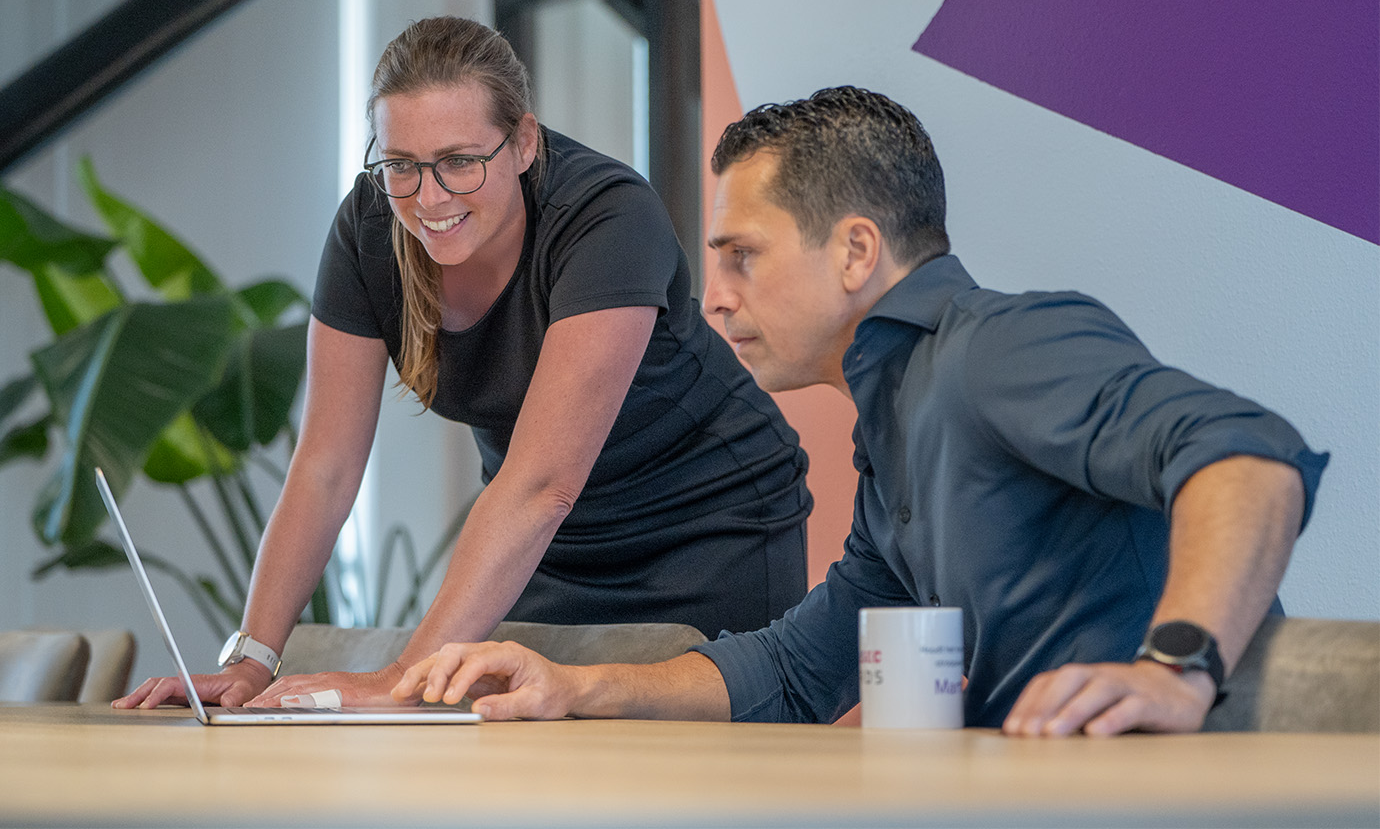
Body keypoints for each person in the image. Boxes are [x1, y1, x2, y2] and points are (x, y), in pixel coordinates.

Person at [391, 86, 1328, 735]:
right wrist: (572, 687)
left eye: (742, 256)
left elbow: (1247, 457)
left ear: (855, 253)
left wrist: (1175, 672)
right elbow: (799, 669)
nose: (715, 298)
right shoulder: (898, 432)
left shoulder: (997, 348)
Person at [116, 17, 811, 710]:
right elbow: (324, 468)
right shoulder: (369, 228)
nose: (429, 197)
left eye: (459, 161)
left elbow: (543, 484)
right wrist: (252, 663)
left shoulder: (608, 217)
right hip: (549, 551)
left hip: (706, 527)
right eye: (401, 165)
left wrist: (400, 678)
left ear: (523, 143)